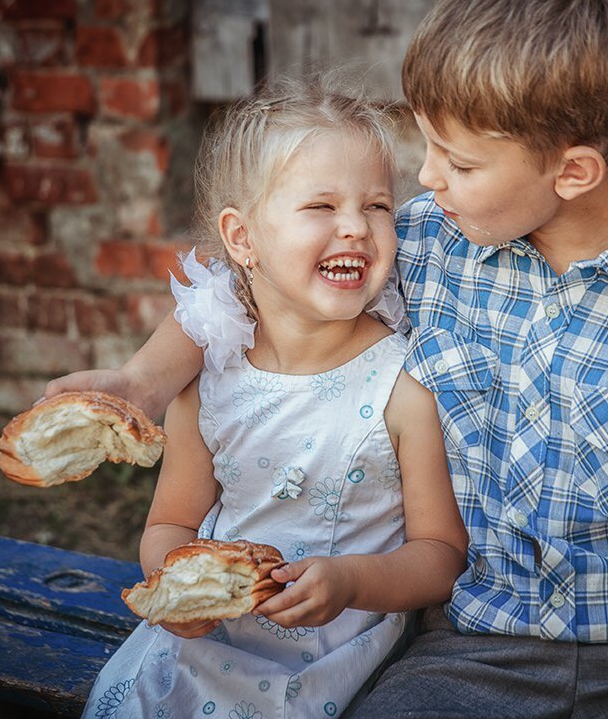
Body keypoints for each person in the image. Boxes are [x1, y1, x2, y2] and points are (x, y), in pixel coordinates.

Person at [54, 0, 608, 718]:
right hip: (474, 652)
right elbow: (241, 288)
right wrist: (142, 385)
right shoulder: (424, 245)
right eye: (428, 148)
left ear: (574, 172)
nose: (425, 180)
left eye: (458, 162)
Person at [79, 76, 468, 719]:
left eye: (376, 206)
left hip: (339, 656)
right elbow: (170, 524)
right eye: (321, 207)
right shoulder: (212, 380)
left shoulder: (403, 384)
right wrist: (175, 587)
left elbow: (440, 556)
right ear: (242, 239)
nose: (355, 228)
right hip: (206, 652)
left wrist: (350, 583)